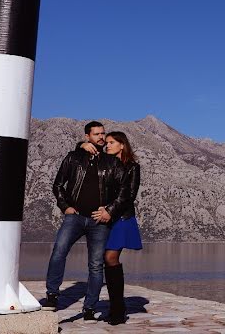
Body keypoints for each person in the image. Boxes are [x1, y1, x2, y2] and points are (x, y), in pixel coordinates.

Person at [43, 121, 124, 322]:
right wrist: (65, 207)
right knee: (59, 251)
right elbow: (58, 185)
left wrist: (109, 211)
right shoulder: (73, 158)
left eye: (103, 134)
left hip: (99, 222)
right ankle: (52, 295)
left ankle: (89, 307)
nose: (101, 137)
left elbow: (122, 191)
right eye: (96, 134)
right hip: (75, 217)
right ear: (87, 136)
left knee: (96, 265)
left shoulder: (111, 162)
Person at [84, 131, 142, 325]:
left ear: (122, 145)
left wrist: (109, 210)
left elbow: (129, 195)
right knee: (105, 259)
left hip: (122, 217)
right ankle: (116, 307)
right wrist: (80, 146)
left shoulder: (132, 167)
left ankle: (118, 310)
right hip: (106, 217)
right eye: (106, 143)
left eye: (111, 143)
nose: (107, 146)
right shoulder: (104, 163)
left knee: (110, 257)